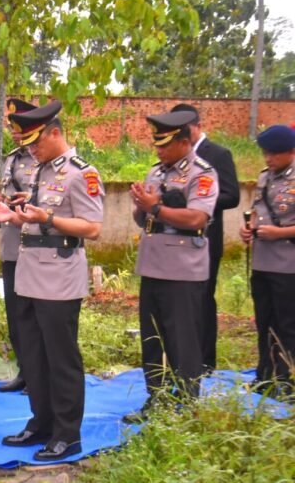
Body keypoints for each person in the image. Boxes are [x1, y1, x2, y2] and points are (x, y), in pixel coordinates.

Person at [0, 100, 104, 461]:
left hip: (59, 274)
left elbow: (93, 227)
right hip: (28, 272)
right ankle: (41, 421)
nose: (31, 149)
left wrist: (49, 218)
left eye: (36, 141)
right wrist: (14, 215)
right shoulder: (39, 170)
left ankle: (67, 434)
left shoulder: (80, 172)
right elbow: (36, 217)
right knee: (33, 355)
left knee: (60, 356)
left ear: (55, 133)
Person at [124, 110, 218, 424]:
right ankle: (157, 398)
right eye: (156, 144)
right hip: (152, 265)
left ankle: (188, 403)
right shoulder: (155, 173)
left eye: (164, 144)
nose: (158, 150)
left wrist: (156, 207)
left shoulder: (202, 174)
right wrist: (141, 206)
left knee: (183, 339)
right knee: (152, 339)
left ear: (183, 141)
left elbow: (196, 218)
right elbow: (144, 219)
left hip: (182, 268)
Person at [170, 103, 240, 372]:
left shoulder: (218, 154)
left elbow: (232, 195)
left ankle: (205, 358)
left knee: (203, 298)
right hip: (176, 241)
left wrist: (197, 202)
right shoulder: (174, 157)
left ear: (197, 126)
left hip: (206, 238)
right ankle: (180, 358)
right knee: (180, 301)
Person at [239, 125, 295, 396]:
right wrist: (248, 229)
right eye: (265, 153)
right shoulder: (264, 178)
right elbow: (259, 211)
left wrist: (280, 232)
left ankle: (286, 379)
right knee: (264, 321)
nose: (268, 159)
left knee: (287, 323)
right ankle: (265, 375)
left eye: (274, 154)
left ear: (291, 152)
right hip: (262, 261)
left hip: (288, 264)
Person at [0, 98, 38, 394]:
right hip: (11, 242)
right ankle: (24, 370)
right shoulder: (11, 158)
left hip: (35, 243)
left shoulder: (43, 161)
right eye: (11, 126)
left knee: (33, 314)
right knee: (15, 312)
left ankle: (37, 374)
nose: (13, 131)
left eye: (18, 126)